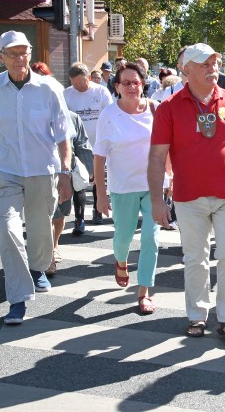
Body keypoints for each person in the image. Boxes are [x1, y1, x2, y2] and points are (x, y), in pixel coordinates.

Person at [148, 43, 225, 347]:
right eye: (204, 64)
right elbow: (157, 158)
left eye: (215, 62)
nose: (213, 68)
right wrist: (158, 201)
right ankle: (197, 315)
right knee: (195, 258)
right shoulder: (168, 107)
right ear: (186, 70)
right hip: (189, 197)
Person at [0, 30, 72, 325]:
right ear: (1, 57)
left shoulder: (49, 88)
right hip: (6, 173)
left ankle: (38, 268)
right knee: (9, 230)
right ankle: (18, 298)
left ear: (30, 54)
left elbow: (63, 135)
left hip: (43, 172)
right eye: (13, 54)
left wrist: (65, 172)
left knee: (41, 230)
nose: (19, 59)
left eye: (23, 53)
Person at [93, 62, 160, 314]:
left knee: (151, 239)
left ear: (143, 84)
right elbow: (99, 156)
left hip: (153, 185)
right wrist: (101, 194)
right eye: (126, 83)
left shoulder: (156, 109)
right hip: (123, 187)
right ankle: (120, 260)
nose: (132, 87)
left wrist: (171, 176)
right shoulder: (109, 114)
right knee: (123, 238)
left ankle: (144, 292)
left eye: (136, 82)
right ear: (117, 86)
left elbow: (167, 145)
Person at [63, 62, 113, 231]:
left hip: (99, 143)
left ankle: (98, 211)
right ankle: (79, 218)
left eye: (82, 82)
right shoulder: (67, 95)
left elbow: (110, 116)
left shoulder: (100, 91)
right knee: (79, 180)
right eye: (75, 83)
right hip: (77, 146)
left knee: (98, 179)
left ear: (89, 78)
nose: (78, 86)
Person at [47, 111, 94, 276]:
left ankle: (54, 245)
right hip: (39, 172)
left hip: (64, 172)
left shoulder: (72, 117)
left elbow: (82, 144)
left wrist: (90, 169)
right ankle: (47, 255)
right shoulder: (32, 112)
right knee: (43, 214)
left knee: (59, 212)